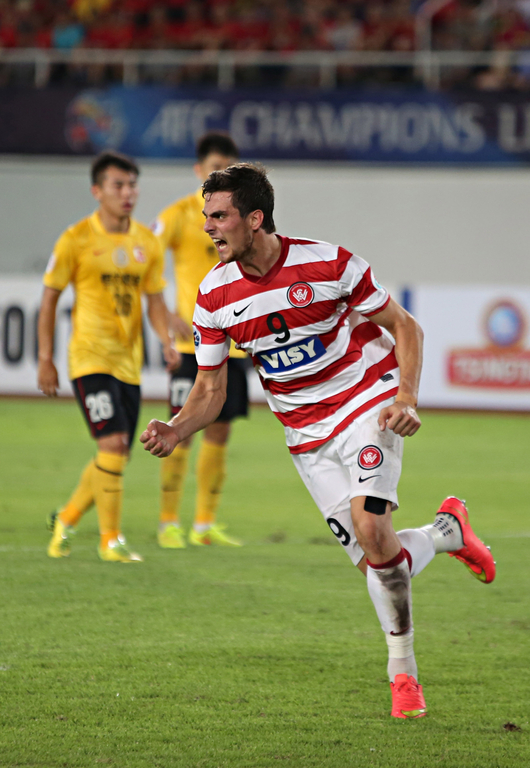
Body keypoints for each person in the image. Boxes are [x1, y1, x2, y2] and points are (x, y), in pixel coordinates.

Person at [140, 163, 496, 717]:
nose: (208, 228)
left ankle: (403, 673)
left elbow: (407, 327)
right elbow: (210, 389)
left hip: (364, 404)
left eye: (219, 216)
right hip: (305, 437)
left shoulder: (328, 263)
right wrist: (176, 427)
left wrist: (406, 398)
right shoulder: (213, 296)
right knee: (381, 564)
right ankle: (446, 532)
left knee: (374, 530)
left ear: (254, 218)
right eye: (205, 217)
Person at [39, 150, 178, 563]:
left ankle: (65, 519)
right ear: (97, 191)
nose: (128, 193)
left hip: (128, 363)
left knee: (115, 453)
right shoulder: (76, 238)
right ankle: (110, 541)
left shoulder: (146, 242)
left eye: (132, 185)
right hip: (89, 358)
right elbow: (49, 300)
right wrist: (46, 358)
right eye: (118, 185)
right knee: (114, 443)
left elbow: (154, 301)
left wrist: (165, 339)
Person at [151, 132, 247, 549]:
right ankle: (168, 521)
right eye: (212, 169)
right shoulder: (176, 215)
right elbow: (145, 262)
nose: (217, 177)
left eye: (225, 171)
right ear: (197, 171)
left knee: (220, 431)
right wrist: (166, 316)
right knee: (181, 429)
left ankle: (204, 525)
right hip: (193, 343)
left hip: (235, 342)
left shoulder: (245, 217)